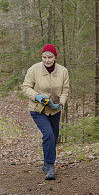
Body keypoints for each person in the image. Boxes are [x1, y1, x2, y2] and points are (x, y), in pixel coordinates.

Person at [22, 44, 69, 180]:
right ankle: (50, 166)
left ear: (55, 57)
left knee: (53, 137)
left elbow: (65, 90)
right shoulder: (34, 69)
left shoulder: (63, 71)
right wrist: (37, 96)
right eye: (44, 57)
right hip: (38, 109)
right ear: (41, 57)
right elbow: (26, 87)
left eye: (50, 57)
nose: (47, 60)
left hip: (55, 110)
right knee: (48, 134)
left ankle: (46, 161)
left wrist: (60, 104)